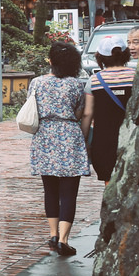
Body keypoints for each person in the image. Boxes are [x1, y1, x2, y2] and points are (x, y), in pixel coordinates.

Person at [28, 41, 90, 257]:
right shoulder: (76, 85)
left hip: (44, 136)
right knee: (69, 192)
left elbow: (32, 107)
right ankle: (64, 239)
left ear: (51, 61)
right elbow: (80, 112)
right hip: (69, 135)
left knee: (50, 189)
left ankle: (53, 235)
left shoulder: (36, 83)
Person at [81, 36, 135, 184]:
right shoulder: (136, 77)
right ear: (125, 54)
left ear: (101, 57)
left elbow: (87, 113)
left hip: (103, 139)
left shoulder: (95, 80)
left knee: (109, 180)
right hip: (131, 137)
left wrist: (84, 139)